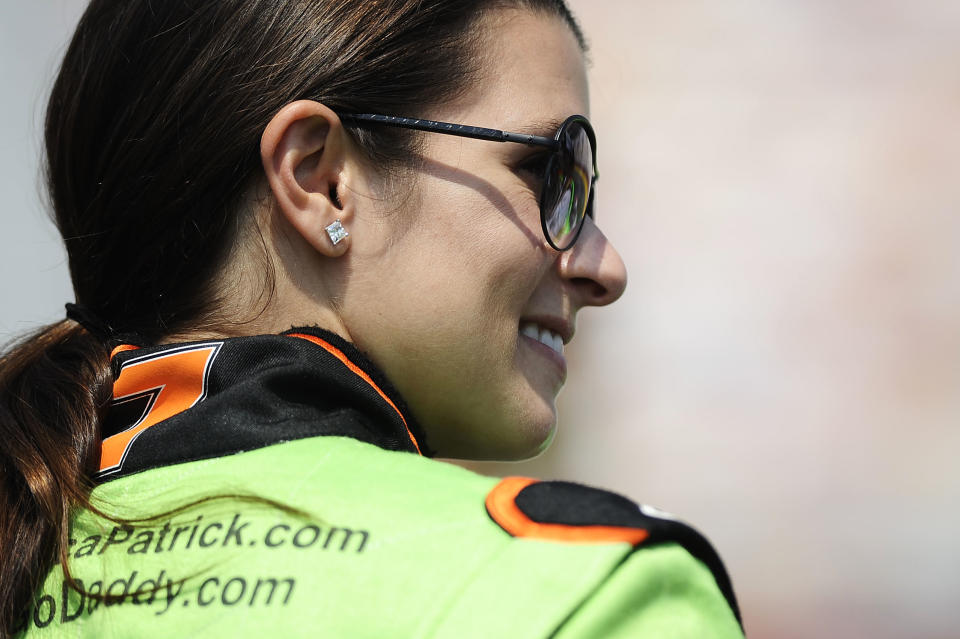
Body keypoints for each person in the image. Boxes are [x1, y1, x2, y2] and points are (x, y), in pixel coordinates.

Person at [0, 0, 743, 636]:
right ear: (321, 181)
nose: (603, 267)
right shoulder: (588, 594)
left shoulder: (24, 550)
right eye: (552, 175)